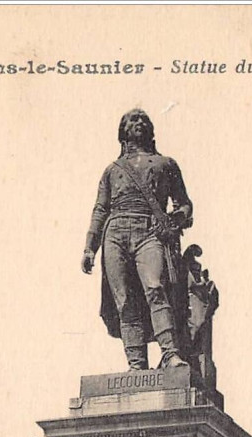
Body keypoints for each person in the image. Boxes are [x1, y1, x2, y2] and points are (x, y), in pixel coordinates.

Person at [81, 108, 193, 371]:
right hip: (115, 232)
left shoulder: (166, 164)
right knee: (125, 300)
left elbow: (185, 204)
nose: (139, 123)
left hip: (149, 230)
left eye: (144, 120)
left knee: (155, 288)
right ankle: (137, 364)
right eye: (133, 120)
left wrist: (175, 219)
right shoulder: (112, 170)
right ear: (123, 131)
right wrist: (90, 247)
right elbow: (100, 208)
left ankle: (170, 354)